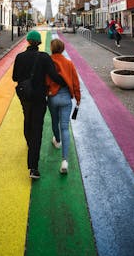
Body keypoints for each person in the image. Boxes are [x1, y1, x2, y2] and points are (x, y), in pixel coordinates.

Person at [12, 30, 66, 180]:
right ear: (39, 43)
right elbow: (54, 76)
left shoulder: (20, 57)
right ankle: (33, 168)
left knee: (27, 120)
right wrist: (66, 82)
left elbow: (14, 77)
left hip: (24, 95)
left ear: (28, 41)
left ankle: (31, 146)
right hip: (39, 96)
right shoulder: (44, 57)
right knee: (37, 128)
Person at [46, 39, 81, 174]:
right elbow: (75, 82)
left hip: (52, 97)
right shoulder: (69, 63)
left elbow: (45, 80)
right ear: (62, 48)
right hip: (66, 98)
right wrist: (78, 98)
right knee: (65, 127)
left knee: (55, 121)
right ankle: (65, 160)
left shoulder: (48, 62)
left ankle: (57, 141)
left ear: (52, 48)